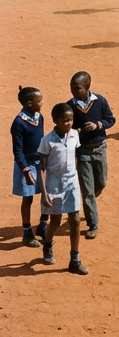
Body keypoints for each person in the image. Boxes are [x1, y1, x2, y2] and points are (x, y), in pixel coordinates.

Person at [38, 102, 88, 275]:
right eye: (65, 120)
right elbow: (42, 169)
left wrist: (75, 177)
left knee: (74, 220)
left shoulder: (74, 135)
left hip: (71, 183)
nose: (69, 123)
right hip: (54, 185)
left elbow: (74, 157)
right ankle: (47, 244)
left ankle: (74, 259)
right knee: (55, 222)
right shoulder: (47, 141)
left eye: (71, 119)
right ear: (55, 120)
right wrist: (44, 193)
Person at [67, 71, 115, 238]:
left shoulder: (100, 101)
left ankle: (90, 202)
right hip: (83, 153)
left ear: (87, 88)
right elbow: (66, 128)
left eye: (77, 88)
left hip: (100, 148)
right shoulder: (70, 107)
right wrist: (77, 130)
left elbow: (111, 119)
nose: (74, 91)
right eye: (72, 88)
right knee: (87, 191)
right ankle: (92, 223)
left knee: (101, 183)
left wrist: (98, 125)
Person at [11, 85, 47, 248]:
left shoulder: (40, 117)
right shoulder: (19, 123)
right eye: (38, 100)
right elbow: (17, 149)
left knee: (47, 192)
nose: (41, 102)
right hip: (26, 165)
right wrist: (25, 170)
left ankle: (43, 224)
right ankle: (27, 232)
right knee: (28, 198)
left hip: (41, 162)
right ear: (29, 103)